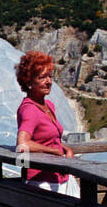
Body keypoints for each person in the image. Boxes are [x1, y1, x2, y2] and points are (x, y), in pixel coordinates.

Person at [14, 51, 80, 197]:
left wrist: (65, 149)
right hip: (42, 181)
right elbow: (22, 144)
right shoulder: (29, 109)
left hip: (59, 177)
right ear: (29, 82)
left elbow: (50, 137)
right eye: (42, 77)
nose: (48, 81)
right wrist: (54, 152)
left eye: (50, 76)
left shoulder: (48, 105)